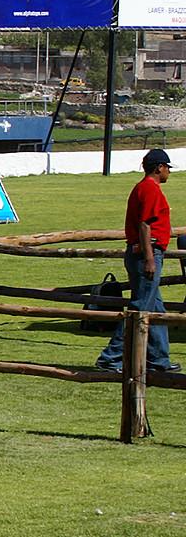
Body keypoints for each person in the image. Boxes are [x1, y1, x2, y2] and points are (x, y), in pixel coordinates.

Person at [99, 149, 176, 375]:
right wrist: (150, 257)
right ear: (158, 167)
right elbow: (145, 225)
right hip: (147, 254)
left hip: (141, 252)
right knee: (140, 307)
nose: (168, 172)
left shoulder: (142, 188)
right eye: (167, 168)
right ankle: (110, 357)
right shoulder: (150, 189)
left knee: (155, 307)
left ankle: (159, 358)